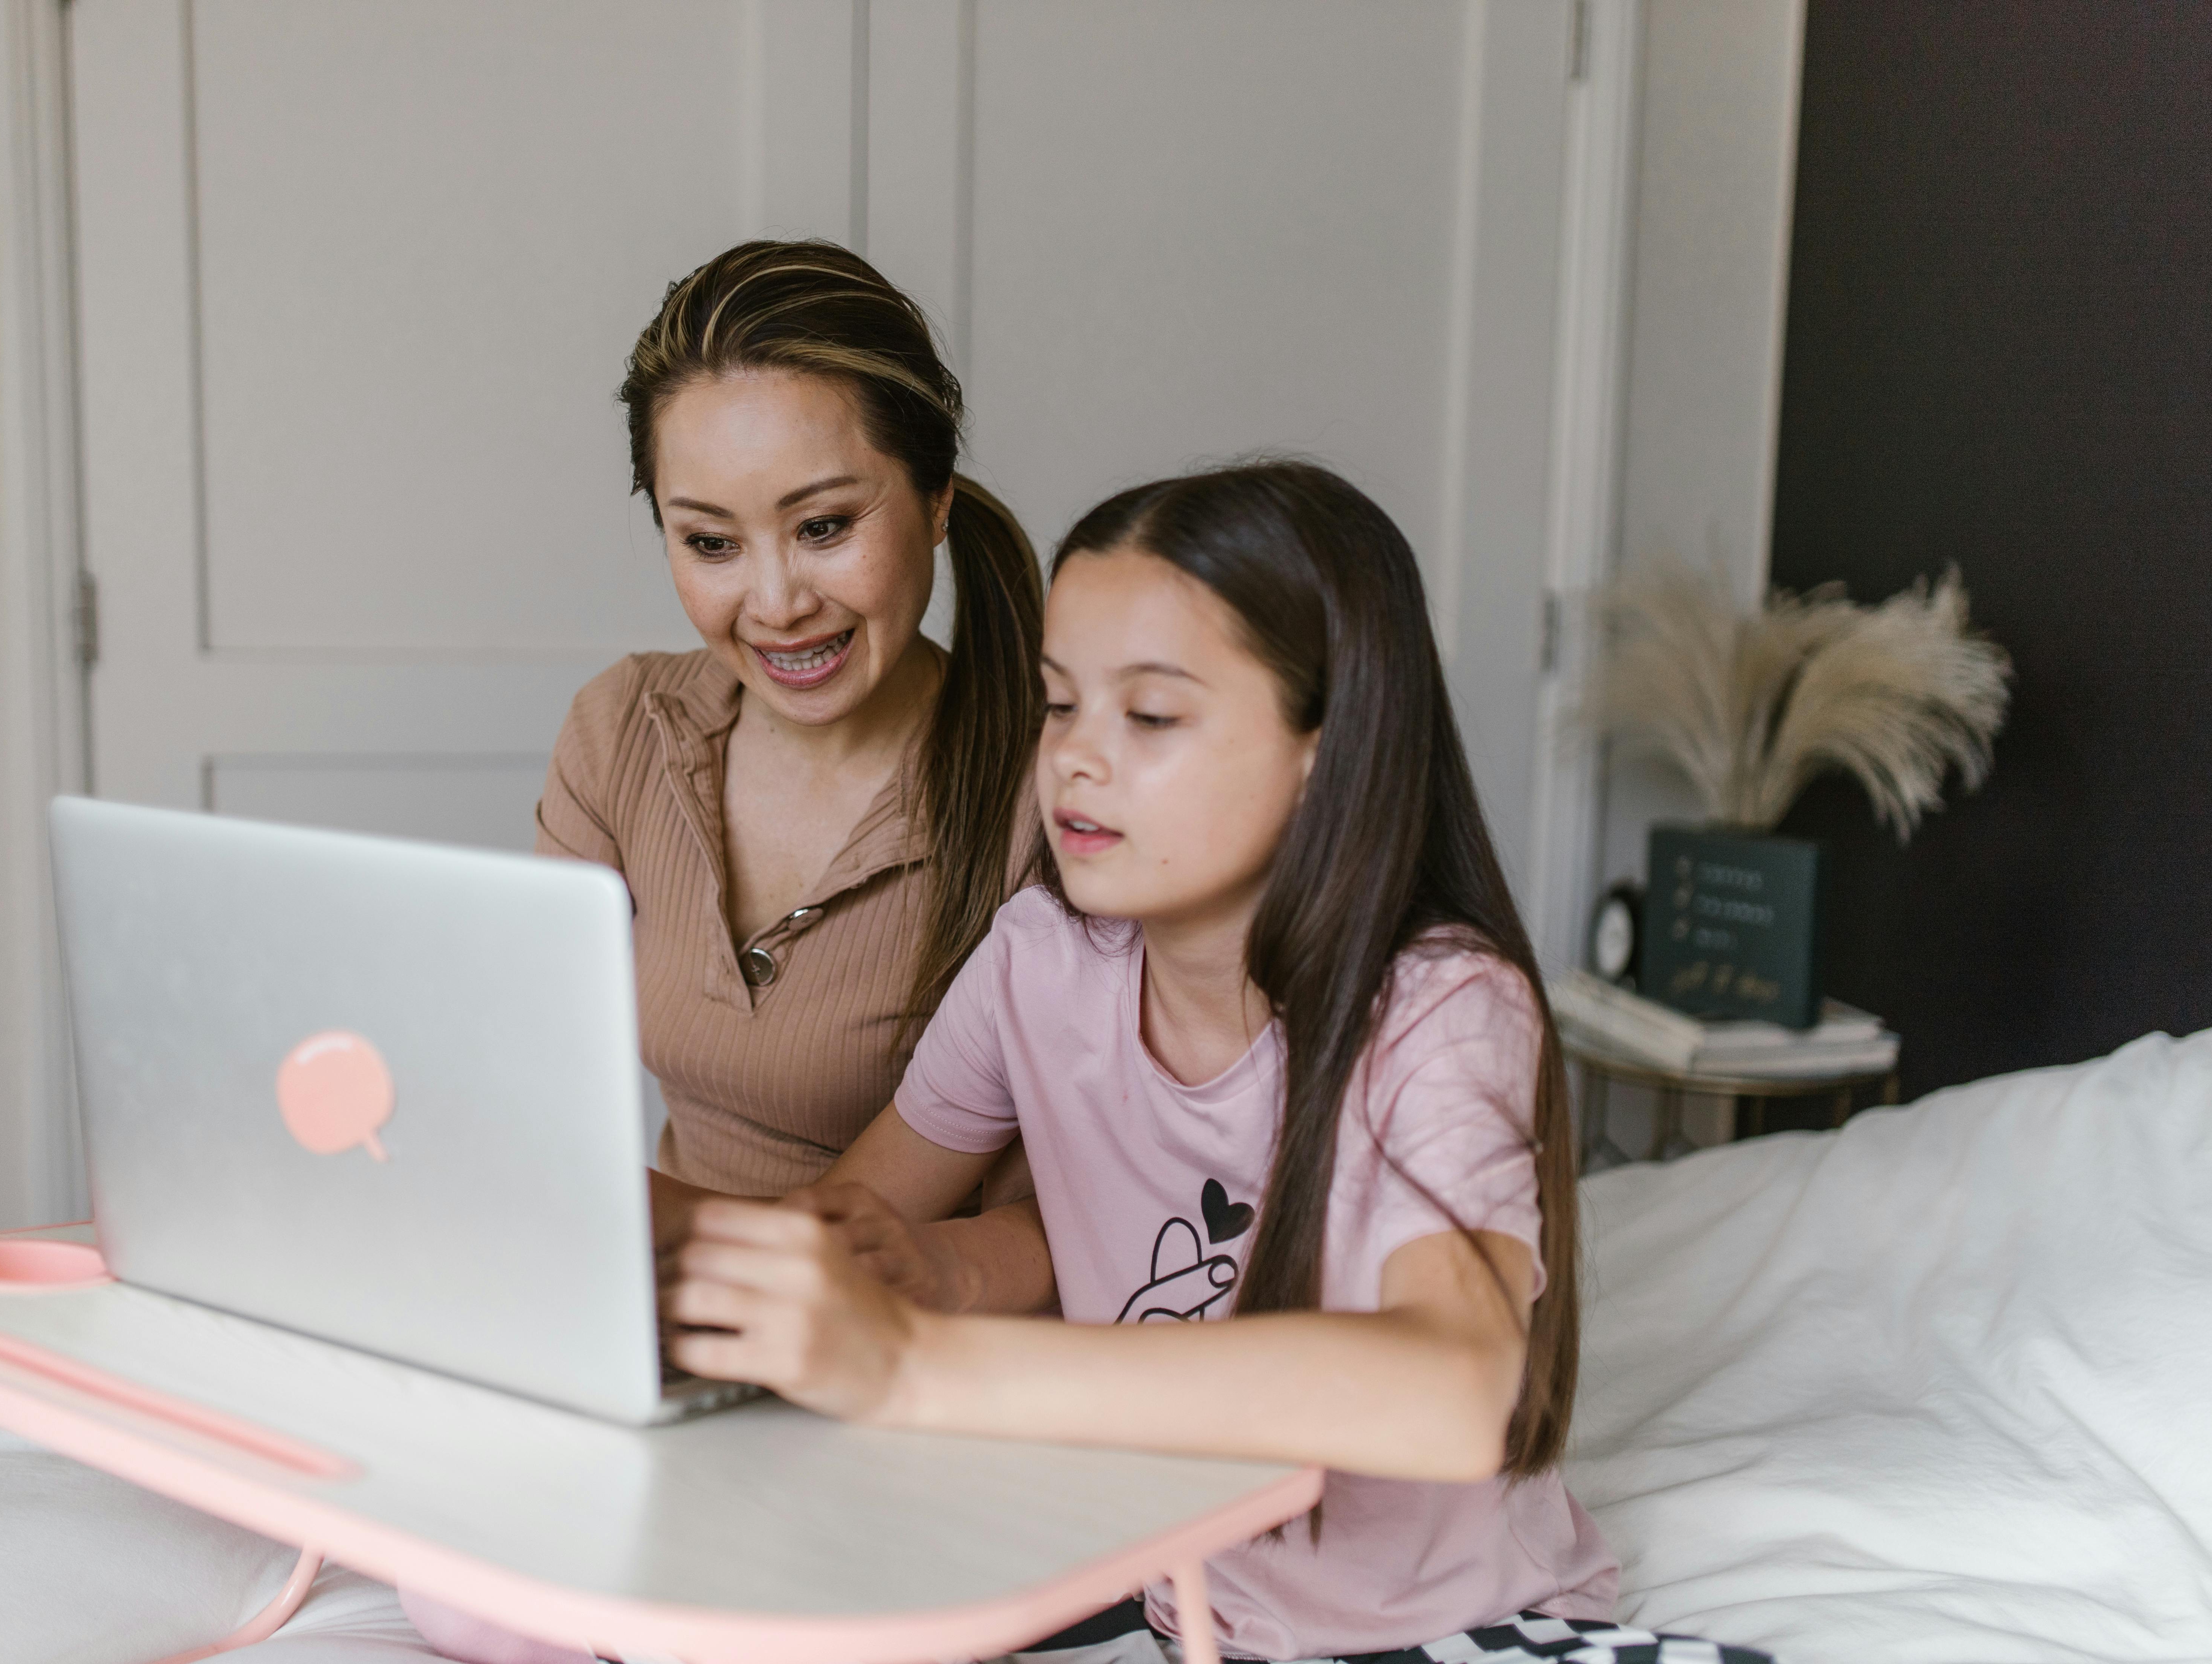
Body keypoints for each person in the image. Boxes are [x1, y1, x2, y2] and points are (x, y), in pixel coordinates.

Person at [670, 463, 1773, 1664]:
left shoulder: (1440, 1009)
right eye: (1058, 704)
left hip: (1435, 1631)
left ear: (1324, 749)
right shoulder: (1038, 961)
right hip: (1163, 1589)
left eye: (1149, 717)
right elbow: (850, 1222)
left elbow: (1453, 1389)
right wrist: (885, 1268)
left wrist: (920, 1364)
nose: (1075, 759)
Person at [531, 240, 1045, 1215]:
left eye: (823, 527)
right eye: (711, 542)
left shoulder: (1053, 794)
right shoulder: (623, 730)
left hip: (892, 1304)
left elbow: (1055, 1229)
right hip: (656, 1287)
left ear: (936, 499)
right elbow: (528, 1070)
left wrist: (664, 1235)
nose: (775, 605)